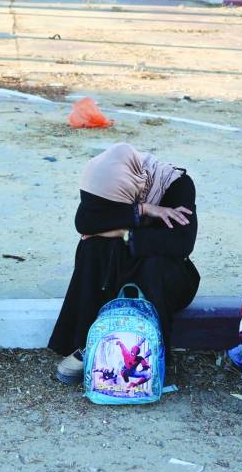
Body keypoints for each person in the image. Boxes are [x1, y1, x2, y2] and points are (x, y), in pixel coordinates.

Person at [49, 143, 201, 384]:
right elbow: (84, 222)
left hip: (169, 280)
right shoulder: (109, 182)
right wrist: (142, 209)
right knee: (92, 246)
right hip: (126, 271)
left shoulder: (177, 184)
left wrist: (125, 233)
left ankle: (150, 355)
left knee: (153, 263)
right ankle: (87, 341)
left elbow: (181, 243)